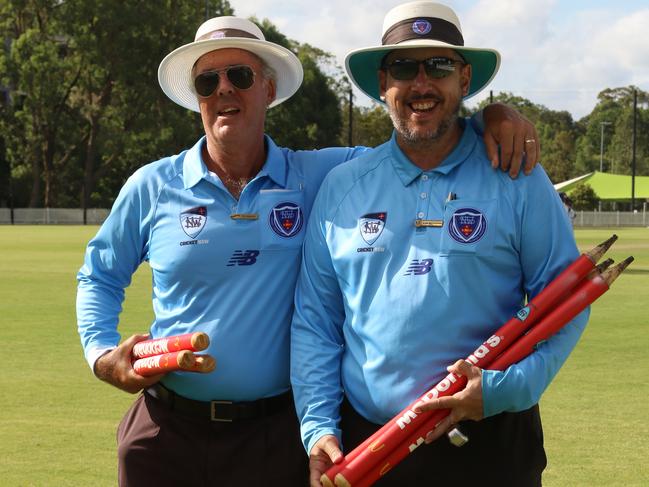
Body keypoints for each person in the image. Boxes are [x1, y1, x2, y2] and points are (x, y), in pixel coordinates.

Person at [76, 14, 541, 487]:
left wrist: (491, 116)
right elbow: (99, 275)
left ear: (269, 90)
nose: (223, 90)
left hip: (275, 436)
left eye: (239, 76)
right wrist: (99, 352)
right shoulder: (151, 185)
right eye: (206, 80)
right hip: (166, 429)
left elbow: (419, 137)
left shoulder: (322, 174)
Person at [290, 2, 589, 486]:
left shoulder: (518, 177)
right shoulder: (344, 186)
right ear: (383, 84)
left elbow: (569, 302)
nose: (422, 83)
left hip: (492, 443)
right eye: (404, 67)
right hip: (370, 444)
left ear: (465, 79)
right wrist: (319, 425)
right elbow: (316, 324)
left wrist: (501, 390)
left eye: (440, 66)